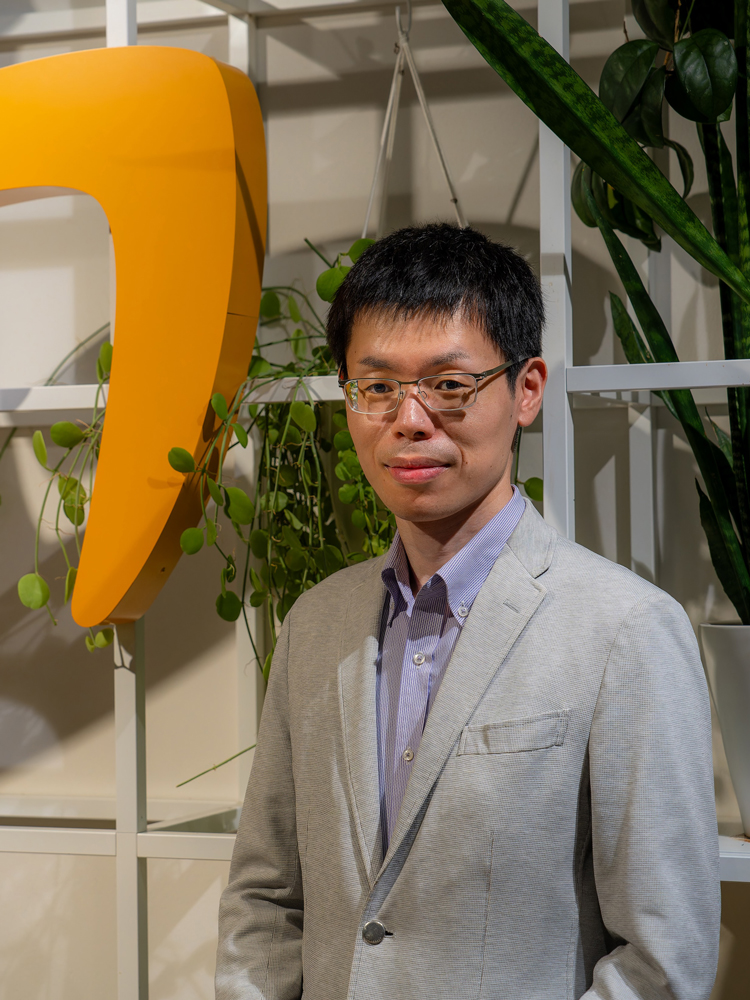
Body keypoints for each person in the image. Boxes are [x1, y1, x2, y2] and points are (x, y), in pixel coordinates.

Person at [215, 223, 719, 1000]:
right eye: (376, 387)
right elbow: (265, 899)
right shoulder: (316, 624)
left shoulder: (625, 630)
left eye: (449, 385)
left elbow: (663, 960)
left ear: (525, 391)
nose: (409, 419)